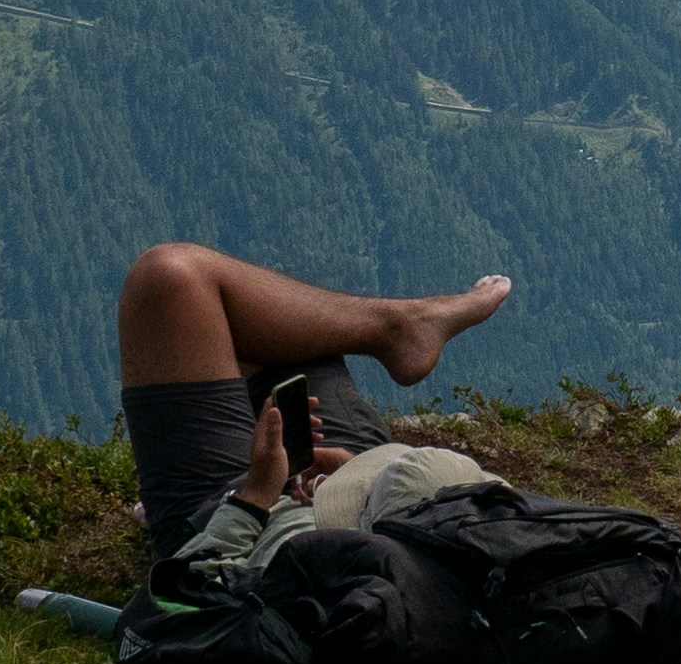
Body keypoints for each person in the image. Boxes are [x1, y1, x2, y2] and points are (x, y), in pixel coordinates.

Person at [115, 239, 515, 560]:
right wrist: (353, 471)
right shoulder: (513, 567)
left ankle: (397, 328)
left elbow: (183, 599)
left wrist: (253, 496)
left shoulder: (348, 603)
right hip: (370, 479)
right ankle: (399, 329)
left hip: (254, 516)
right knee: (285, 336)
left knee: (169, 278)